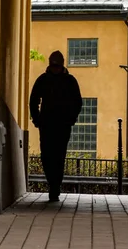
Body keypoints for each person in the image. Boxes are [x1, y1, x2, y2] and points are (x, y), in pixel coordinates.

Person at [29, 50, 82, 201]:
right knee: (47, 156)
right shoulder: (45, 80)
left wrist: (71, 118)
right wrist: (37, 119)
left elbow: (77, 102)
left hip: (61, 125)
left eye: (57, 66)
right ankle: (53, 184)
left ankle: (54, 185)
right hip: (48, 124)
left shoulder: (69, 81)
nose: (55, 69)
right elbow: (34, 100)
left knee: (58, 156)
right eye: (54, 66)